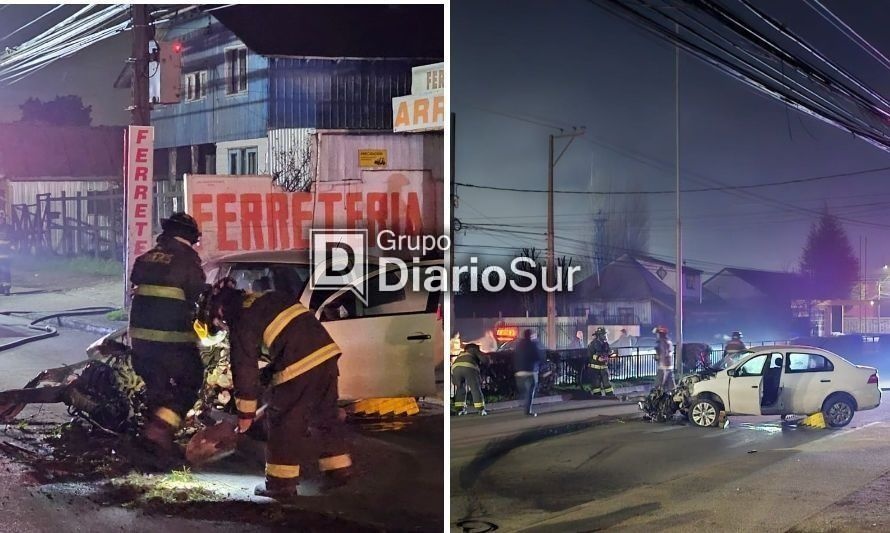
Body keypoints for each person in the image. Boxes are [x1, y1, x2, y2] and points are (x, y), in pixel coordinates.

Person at [202, 277, 353, 500]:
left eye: (219, 324)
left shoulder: (241, 319)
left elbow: (244, 368)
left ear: (221, 310)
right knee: (325, 415)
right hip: (326, 355)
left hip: (300, 362)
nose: (224, 327)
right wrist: (268, 376)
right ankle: (338, 470)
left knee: (284, 422)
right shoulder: (267, 298)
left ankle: (280, 485)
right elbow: (286, 338)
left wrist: (245, 413)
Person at [128, 212, 206, 457]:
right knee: (192, 380)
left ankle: (153, 448)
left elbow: (137, 284)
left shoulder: (145, 258)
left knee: (157, 386)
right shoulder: (187, 261)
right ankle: (159, 431)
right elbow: (197, 297)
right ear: (190, 236)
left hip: (140, 339)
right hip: (172, 339)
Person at [513, 329, 545, 416]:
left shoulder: (518, 345)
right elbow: (539, 357)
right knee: (529, 393)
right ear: (531, 336)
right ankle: (528, 411)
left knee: (524, 392)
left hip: (519, 373)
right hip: (530, 372)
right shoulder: (533, 345)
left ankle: (523, 404)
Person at [452, 343, 488, 416]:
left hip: (455, 368)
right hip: (469, 367)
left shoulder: (461, 354)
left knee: (460, 388)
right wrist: (487, 362)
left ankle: (460, 409)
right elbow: (484, 360)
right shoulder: (474, 350)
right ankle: (481, 409)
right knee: (475, 388)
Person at [586, 327, 615, 398]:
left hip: (604, 367)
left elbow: (608, 351)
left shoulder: (605, 344)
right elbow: (589, 355)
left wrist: (610, 353)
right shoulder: (592, 344)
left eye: (605, 334)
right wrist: (598, 358)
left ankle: (610, 395)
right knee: (596, 383)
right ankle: (597, 396)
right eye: (604, 334)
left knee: (607, 382)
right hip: (594, 368)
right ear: (599, 335)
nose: (605, 336)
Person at [653, 325, 675, 390]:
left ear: (660, 334)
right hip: (669, 366)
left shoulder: (662, 342)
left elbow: (663, 354)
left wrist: (658, 357)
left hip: (663, 367)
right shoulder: (669, 341)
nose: (657, 335)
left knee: (658, 387)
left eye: (657, 334)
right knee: (671, 387)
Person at [0, 210, 11, 295]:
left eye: (1, 218)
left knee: (5, 271)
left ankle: (7, 288)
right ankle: (1, 288)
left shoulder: (8, 228)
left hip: (5, 254)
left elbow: (13, 239)